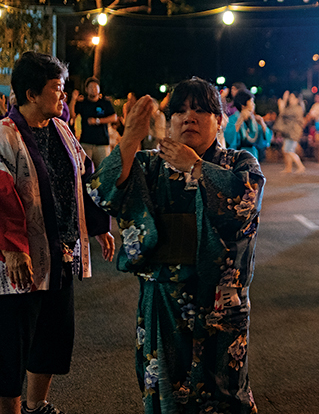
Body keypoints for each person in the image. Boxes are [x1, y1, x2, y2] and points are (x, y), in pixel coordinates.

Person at [92, 77, 264, 413]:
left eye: (200, 110)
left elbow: (246, 201)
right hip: (163, 301)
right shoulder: (149, 164)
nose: (189, 118)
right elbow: (102, 192)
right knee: (166, 392)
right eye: (180, 112)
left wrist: (196, 167)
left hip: (219, 300)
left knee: (225, 392)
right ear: (169, 122)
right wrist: (130, 138)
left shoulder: (239, 162)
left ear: (220, 120)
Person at [0, 52, 114, 414]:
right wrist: (13, 248)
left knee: (52, 336)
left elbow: (84, 176)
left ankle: (37, 405)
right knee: (12, 344)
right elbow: (2, 196)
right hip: (19, 260)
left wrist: (98, 226)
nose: (64, 95)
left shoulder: (62, 129)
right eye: (57, 88)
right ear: (32, 93)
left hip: (60, 253)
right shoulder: (5, 135)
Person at [71, 77, 118, 168]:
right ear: (86, 89)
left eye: (95, 87)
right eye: (91, 87)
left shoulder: (105, 103)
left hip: (102, 143)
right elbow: (72, 115)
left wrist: (98, 121)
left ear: (99, 89)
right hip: (86, 143)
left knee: (102, 170)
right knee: (84, 170)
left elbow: (114, 117)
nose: (93, 89)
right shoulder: (83, 103)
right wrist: (73, 99)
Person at [224, 88, 272, 160]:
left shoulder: (254, 120)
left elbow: (266, 137)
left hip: (253, 154)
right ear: (243, 104)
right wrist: (240, 120)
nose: (253, 104)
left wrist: (262, 123)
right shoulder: (233, 119)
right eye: (251, 102)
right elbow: (229, 139)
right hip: (238, 155)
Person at [274, 91, 306, 174]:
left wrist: (283, 103)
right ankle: (288, 168)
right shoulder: (292, 108)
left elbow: (283, 113)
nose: (290, 99)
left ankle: (300, 166)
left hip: (293, 132)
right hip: (289, 132)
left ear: (297, 99)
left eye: (292, 98)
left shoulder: (297, 108)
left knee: (289, 150)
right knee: (286, 150)